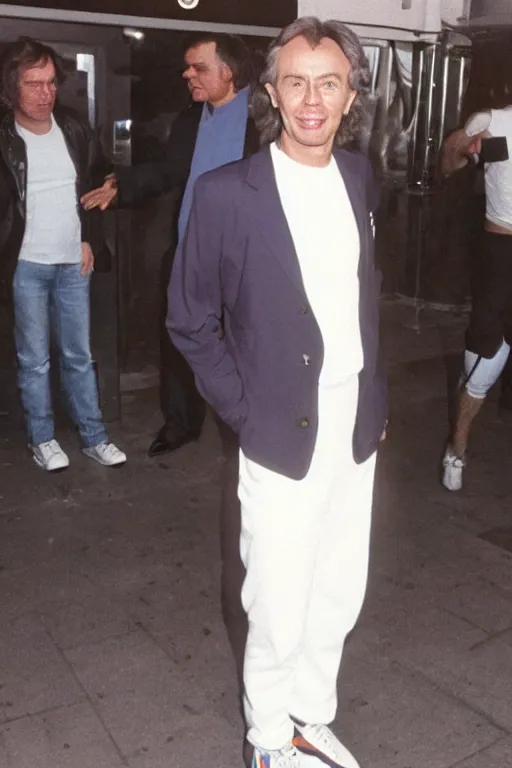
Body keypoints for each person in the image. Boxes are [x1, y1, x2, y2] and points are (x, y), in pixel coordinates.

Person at [168, 17, 387, 768]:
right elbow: (190, 320)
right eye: (296, 81)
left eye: (329, 82)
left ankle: (307, 716)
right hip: (277, 428)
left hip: (353, 424)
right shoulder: (227, 193)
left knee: (338, 590)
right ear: (271, 92)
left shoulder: (359, 178)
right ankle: (267, 740)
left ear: (352, 95)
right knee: (276, 600)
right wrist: (243, 409)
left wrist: (376, 399)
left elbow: (363, 296)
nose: (312, 99)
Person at [82, 32, 259, 458]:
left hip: (245, 260)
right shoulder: (190, 120)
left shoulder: (265, 121)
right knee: (181, 336)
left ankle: (254, 422)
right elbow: (168, 171)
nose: (187, 74)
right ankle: (181, 422)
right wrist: (122, 185)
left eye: (198, 67)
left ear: (227, 72)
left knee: (248, 342)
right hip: (190, 254)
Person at [0, 38, 126, 472]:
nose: (45, 93)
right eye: (34, 84)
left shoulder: (73, 128)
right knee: (34, 360)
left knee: (79, 354)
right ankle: (43, 439)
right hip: (26, 265)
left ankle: (94, 436)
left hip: (75, 261)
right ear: (11, 87)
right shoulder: (4, 138)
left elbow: (98, 179)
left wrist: (89, 234)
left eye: (51, 82)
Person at [441, 100, 512, 491]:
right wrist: (466, 141)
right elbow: (450, 161)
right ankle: (457, 448)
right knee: (484, 363)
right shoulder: (498, 124)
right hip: (501, 254)